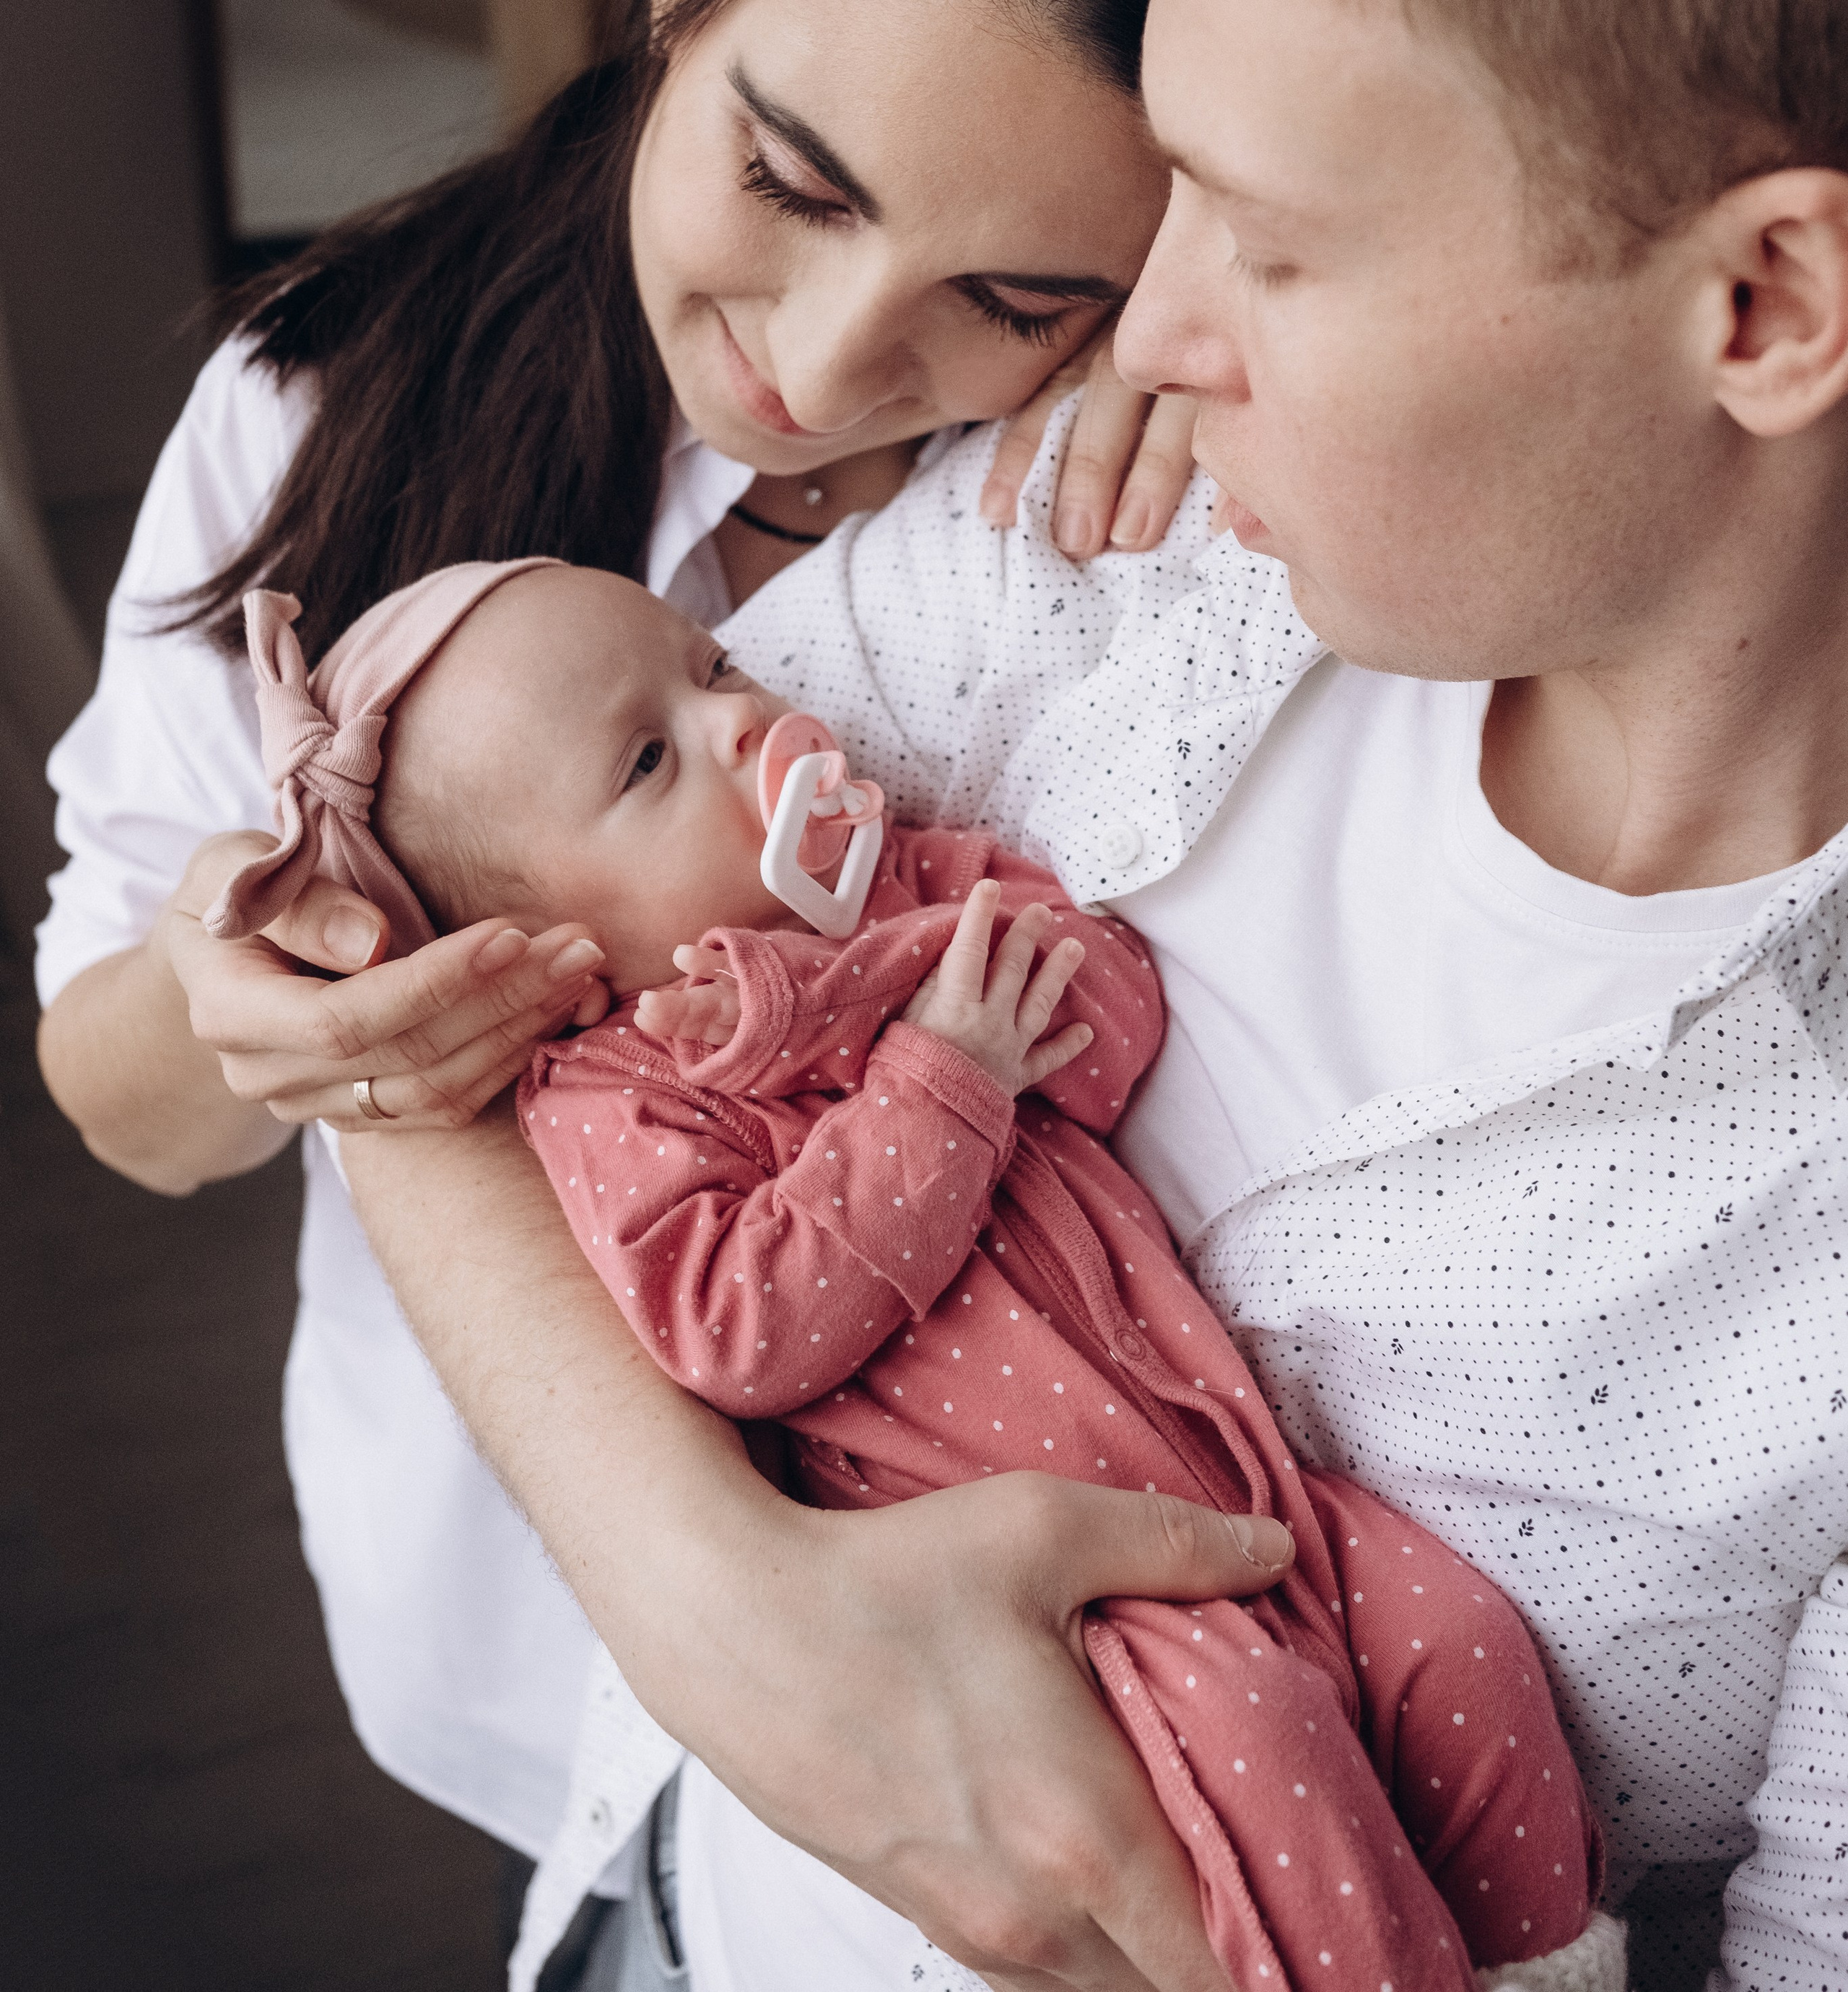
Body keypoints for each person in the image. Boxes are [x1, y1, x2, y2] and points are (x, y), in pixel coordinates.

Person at [141, 0, 1848, 1992]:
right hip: (651, 1888)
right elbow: (510, 953)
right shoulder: (1113, 557)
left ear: (1765, 302)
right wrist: (715, 1603)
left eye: (1265, 238)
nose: (1137, 346)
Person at [34, 0, 1207, 1947]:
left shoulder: (1123, 507)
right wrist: (253, 1016)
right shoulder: (316, 412)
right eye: (794, 182)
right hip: (507, 1603)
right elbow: (121, 1109)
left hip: (1044, 1687)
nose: (826, 363)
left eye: (1013, 296)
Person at [206, 552, 1610, 1990]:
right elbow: (740, 1328)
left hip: (1241, 1479)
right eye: (648, 760)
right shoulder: (622, 1090)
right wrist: (935, 1071)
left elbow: (1110, 1025)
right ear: (546, 953)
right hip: (1077, 1599)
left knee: (1460, 1641)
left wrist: (872, 975)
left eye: (710, 667)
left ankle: (1551, 1969)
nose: (735, 721)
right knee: (1268, 1750)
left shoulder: (910, 886)